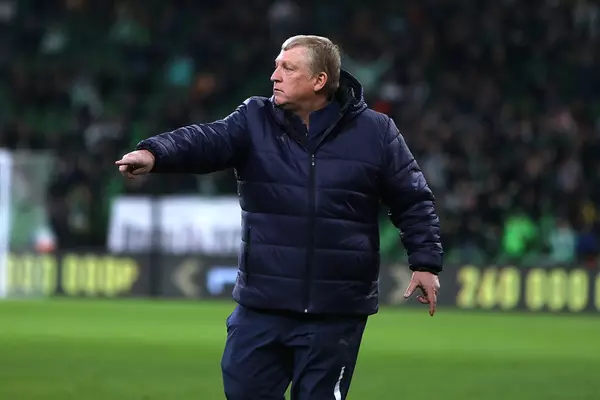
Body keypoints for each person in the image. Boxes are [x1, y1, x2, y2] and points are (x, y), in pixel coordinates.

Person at [116, 35, 443, 400]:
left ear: (319, 80)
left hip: (335, 311)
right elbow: (207, 140)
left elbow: (413, 199)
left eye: (288, 68)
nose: (274, 76)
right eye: (276, 66)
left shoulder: (376, 132)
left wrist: (425, 262)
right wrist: (155, 153)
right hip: (263, 306)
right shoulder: (254, 119)